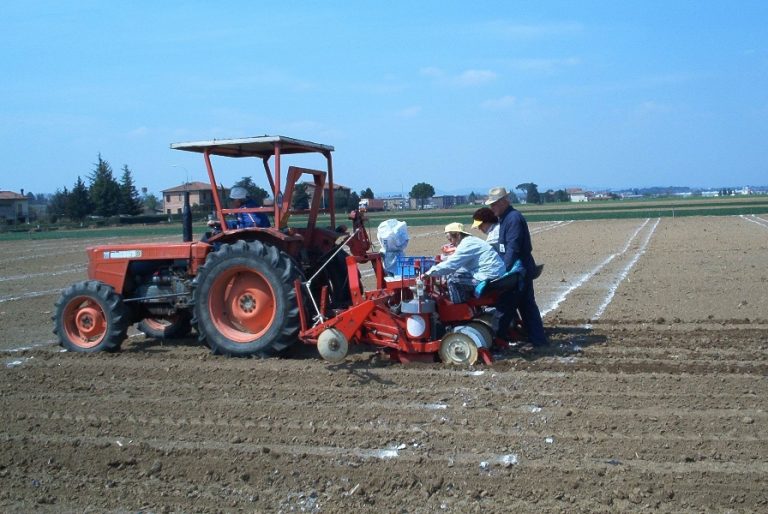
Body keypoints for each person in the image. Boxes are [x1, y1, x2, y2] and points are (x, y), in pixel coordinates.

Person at [485, 186, 548, 345]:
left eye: (494, 204)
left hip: (518, 269)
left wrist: (503, 271)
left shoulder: (513, 219)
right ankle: (538, 340)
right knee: (526, 306)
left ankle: (495, 340)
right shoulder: (505, 219)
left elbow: (513, 248)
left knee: (506, 306)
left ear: (504, 201)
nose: (492, 208)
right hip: (519, 267)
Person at [425, 222, 506, 303]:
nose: (451, 243)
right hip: (494, 273)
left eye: (451, 239)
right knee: (455, 274)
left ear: (458, 235)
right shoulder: (471, 241)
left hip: (489, 277)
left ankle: (459, 309)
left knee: (452, 280)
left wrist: (428, 273)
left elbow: (451, 265)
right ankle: (467, 302)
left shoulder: (466, 245)